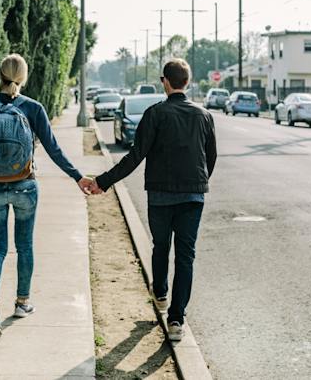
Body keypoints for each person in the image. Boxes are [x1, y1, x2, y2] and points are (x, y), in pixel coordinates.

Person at [89, 59, 217, 341]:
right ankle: (176, 321)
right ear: (188, 81)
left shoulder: (155, 114)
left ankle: (160, 293)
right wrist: (197, 181)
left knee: (161, 246)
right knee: (186, 256)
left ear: (165, 81)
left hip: (160, 196)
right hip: (193, 196)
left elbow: (136, 156)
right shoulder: (204, 116)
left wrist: (102, 182)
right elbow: (211, 158)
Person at [0, 53, 93, 337]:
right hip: (25, 185)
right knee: (24, 246)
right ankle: (23, 302)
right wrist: (77, 176)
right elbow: (53, 148)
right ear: (23, 78)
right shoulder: (33, 108)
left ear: (0, 75)